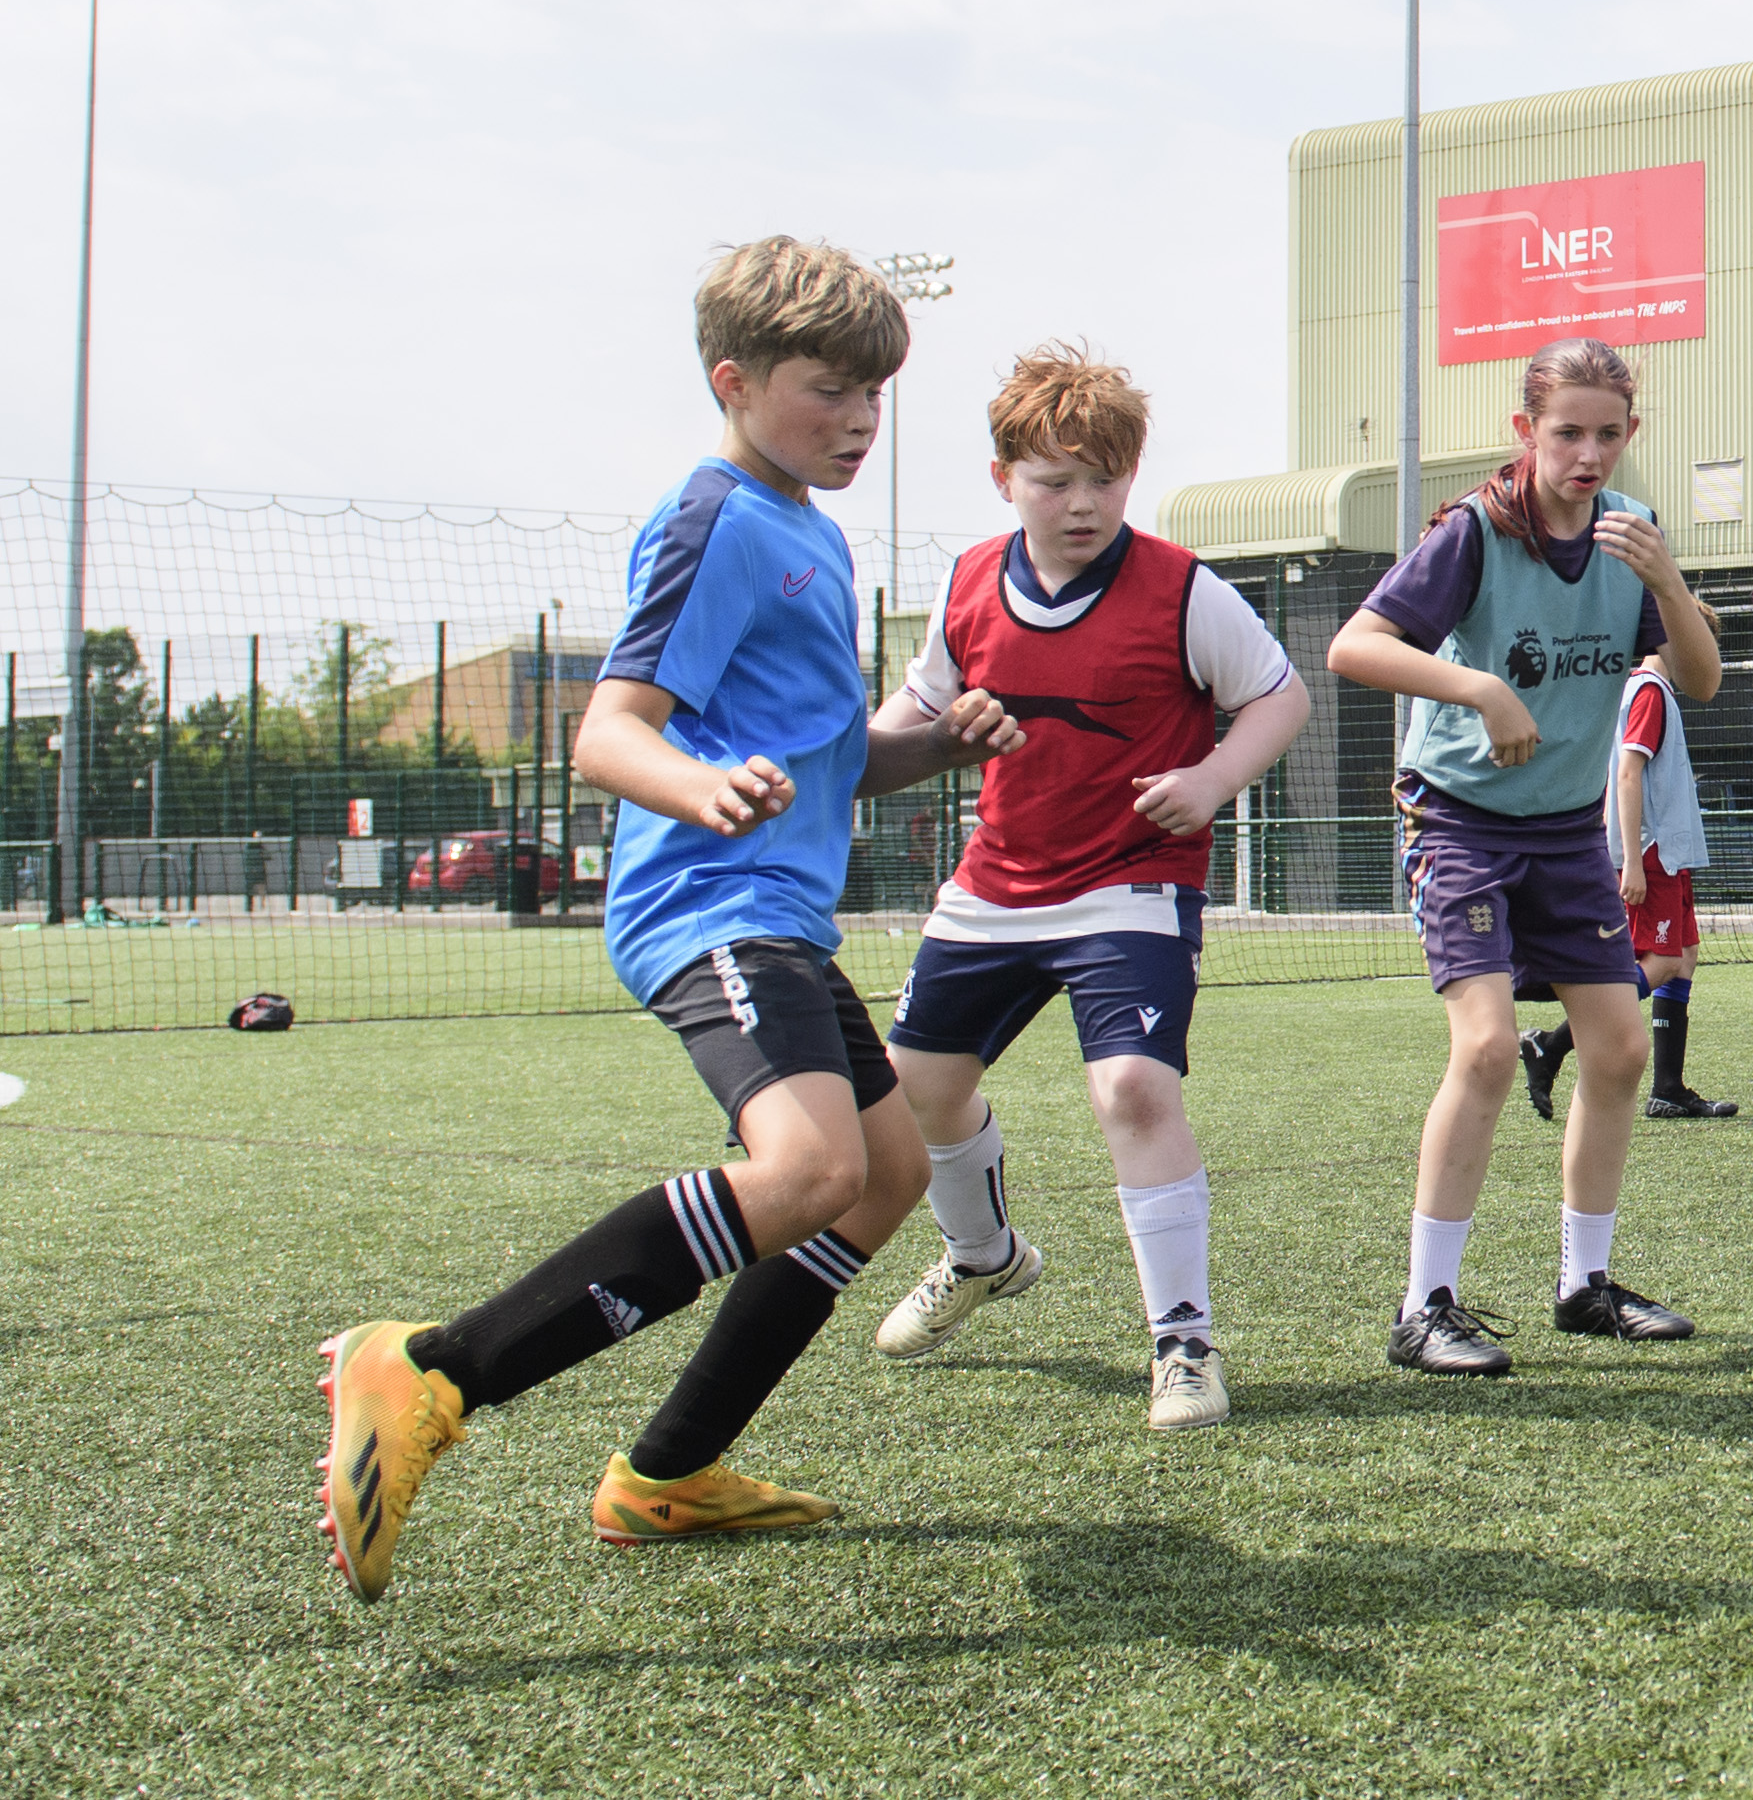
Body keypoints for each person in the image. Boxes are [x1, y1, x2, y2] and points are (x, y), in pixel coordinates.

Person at [317, 239, 1021, 1600]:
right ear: (735, 380)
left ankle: (668, 1470)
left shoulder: (806, 533)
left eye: (876, 392)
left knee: (881, 1178)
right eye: (829, 388)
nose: (860, 417)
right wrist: (698, 785)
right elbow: (608, 730)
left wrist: (941, 742)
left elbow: (837, 755)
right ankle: (430, 1368)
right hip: (706, 900)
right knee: (813, 1167)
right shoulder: (715, 518)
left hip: (776, 913)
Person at [862, 347, 1312, 1432]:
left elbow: (1279, 697)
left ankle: (1185, 1344)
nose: (1081, 503)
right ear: (1002, 478)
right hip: (994, 887)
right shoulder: (968, 583)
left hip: (1130, 886)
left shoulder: (1182, 588)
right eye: (1054, 479)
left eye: (1103, 479)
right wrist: (918, 739)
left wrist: (1210, 780)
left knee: (1133, 1093)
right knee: (911, 1091)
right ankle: (982, 1257)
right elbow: (906, 718)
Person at [1328, 337, 1723, 1379]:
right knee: (1490, 1049)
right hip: (1460, 823)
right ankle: (1423, 1307)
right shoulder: (1473, 533)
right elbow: (1352, 647)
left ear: (1630, 436)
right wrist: (1479, 689)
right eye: (1566, 433)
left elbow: (1703, 677)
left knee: (1621, 1049)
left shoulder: (1631, 541)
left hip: (1563, 834)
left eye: (1606, 433)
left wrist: (1671, 586)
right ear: (1527, 433)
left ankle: (1581, 1285)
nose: (1586, 453)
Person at [1520, 655, 1739, 1124]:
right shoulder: (1649, 691)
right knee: (1661, 961)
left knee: (1683, 956)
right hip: (1652, 851)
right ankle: (1550, 1046)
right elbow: (1627, 773)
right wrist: (1633, 864)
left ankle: (1668, 1089)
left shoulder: (1653, 692)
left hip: (1670, 853)